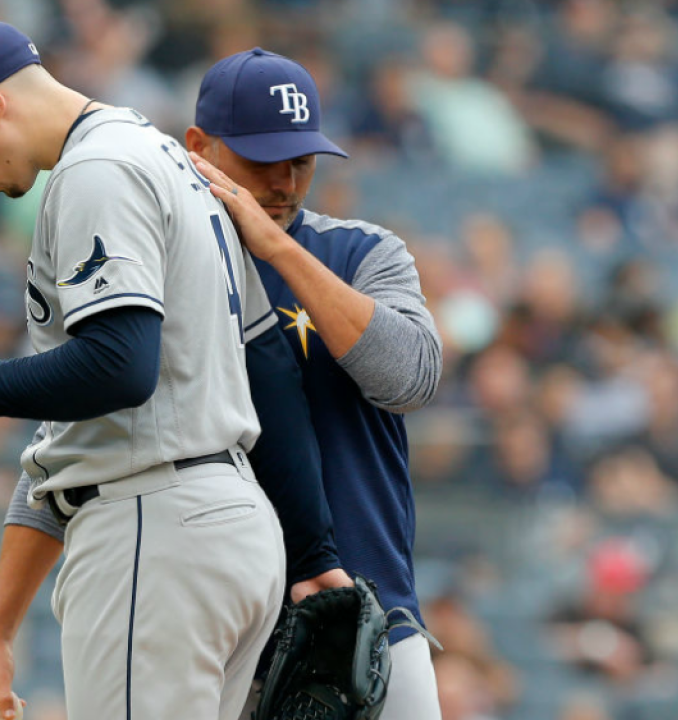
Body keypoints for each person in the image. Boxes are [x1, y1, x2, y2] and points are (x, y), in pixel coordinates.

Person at [0, 18, 345, 720]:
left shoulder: (98, 170)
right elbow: (266, 365)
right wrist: (311, 553)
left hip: (156, 532)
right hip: (232, 535)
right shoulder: (163, 159)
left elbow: (120, 368)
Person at [186, 49, 444, 719]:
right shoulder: (164, 273)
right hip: (215, 633)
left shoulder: (361, 253)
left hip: (368, 620)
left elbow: (410, 378)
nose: (283, 182)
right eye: (259, 160)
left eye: (299, 161)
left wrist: (277, 252)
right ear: (198, 147)